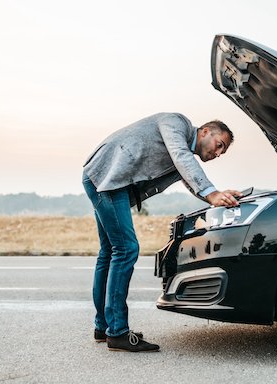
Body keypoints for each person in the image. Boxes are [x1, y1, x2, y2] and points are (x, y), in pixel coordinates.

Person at [82, 112, 242, 352]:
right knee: (126, 249)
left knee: (109, 252)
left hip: (105, 178)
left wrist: (217, 196)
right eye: (220, 145)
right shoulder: (176, 123)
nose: (218, 154)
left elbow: (188, 175)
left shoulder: (184, 153)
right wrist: (211, 192)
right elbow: (181, 156)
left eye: (223, 152)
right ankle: (117, 332)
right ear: (205, 132)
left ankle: (103, 327)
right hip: (108, 178)